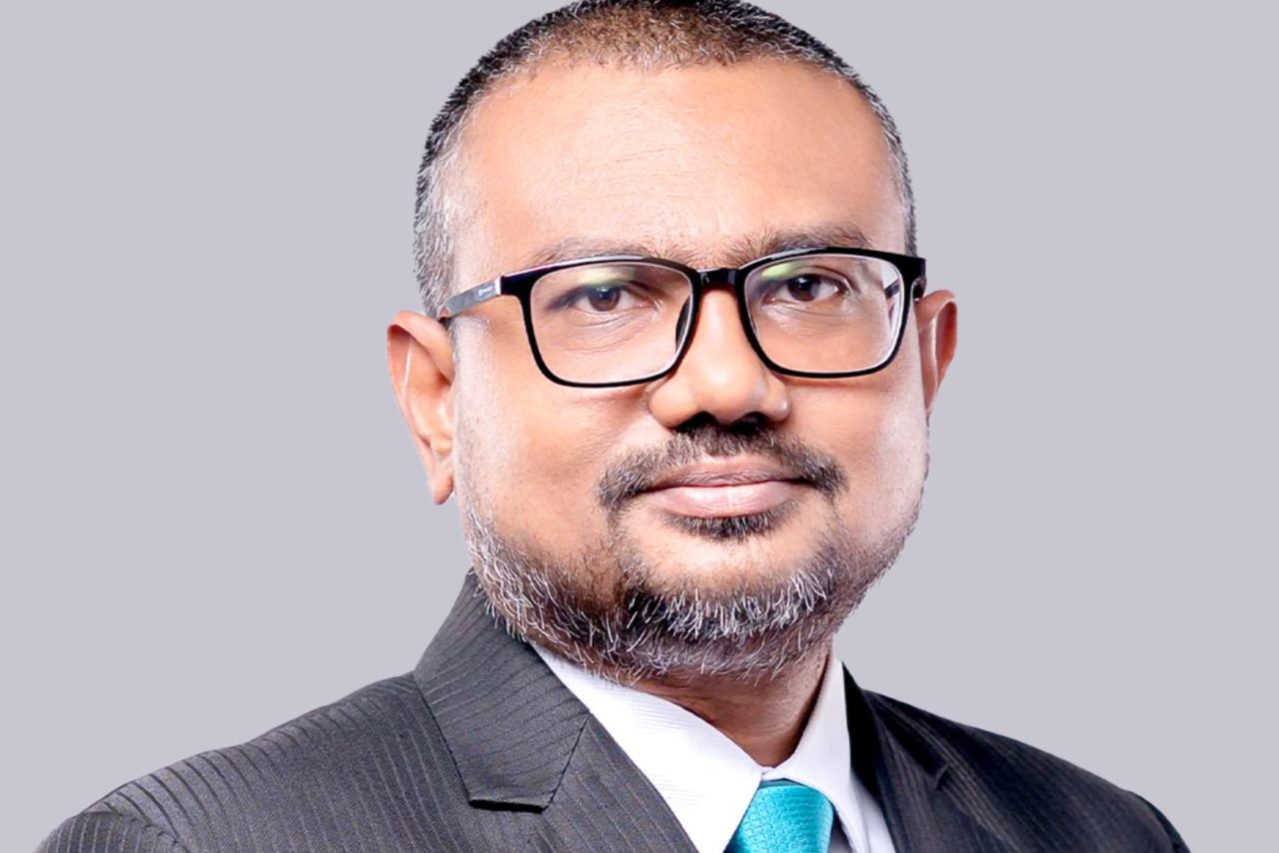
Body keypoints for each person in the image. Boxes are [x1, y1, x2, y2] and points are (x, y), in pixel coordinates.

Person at [37, 1, 1190, 851]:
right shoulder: (203, 841)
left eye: (808, 285)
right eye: (602, 296)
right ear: (436, 401)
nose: (725, 382)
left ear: (925, 364)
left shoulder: (1101, 832)